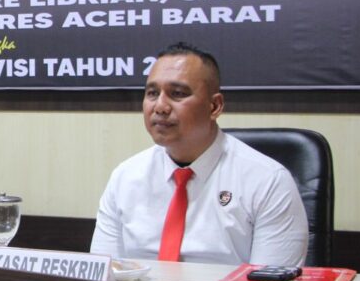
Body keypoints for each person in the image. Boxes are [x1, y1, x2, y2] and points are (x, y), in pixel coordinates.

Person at [90, 42, 308, 266]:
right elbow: (103, 273)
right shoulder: (125, 177)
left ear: (214, 106)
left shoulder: (268, 181)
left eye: (177, 94)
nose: (160, 107)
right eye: (152, 93)